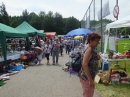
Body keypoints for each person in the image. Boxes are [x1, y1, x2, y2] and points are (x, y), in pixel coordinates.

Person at [78, 32, 101, 97]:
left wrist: (96, 58)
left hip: (88, 77)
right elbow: (84, 64)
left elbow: (90, 60)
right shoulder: (89, 49)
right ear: (91, 40)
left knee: (89, 94)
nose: (98, 43)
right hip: (87, 78)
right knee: (88, 95)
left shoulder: (90, 48)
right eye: (97, 41)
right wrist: (90, 80)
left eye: (99, 41)